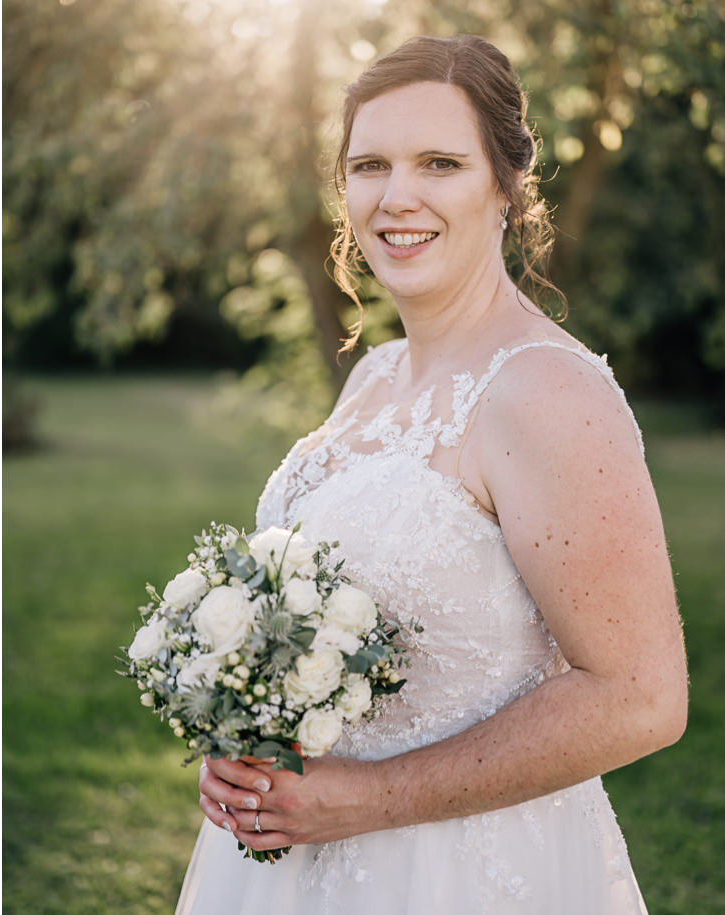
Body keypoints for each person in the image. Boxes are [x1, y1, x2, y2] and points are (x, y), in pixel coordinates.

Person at [178, 36, 687, 914]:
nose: (396, 196)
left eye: (439, 163)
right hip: (298, 864)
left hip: (458, 874)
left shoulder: (546, 391)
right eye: (368, 164)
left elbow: (642, 697)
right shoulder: (375, 375)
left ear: (505, 185)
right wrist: (246, 742)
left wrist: (369, 799)